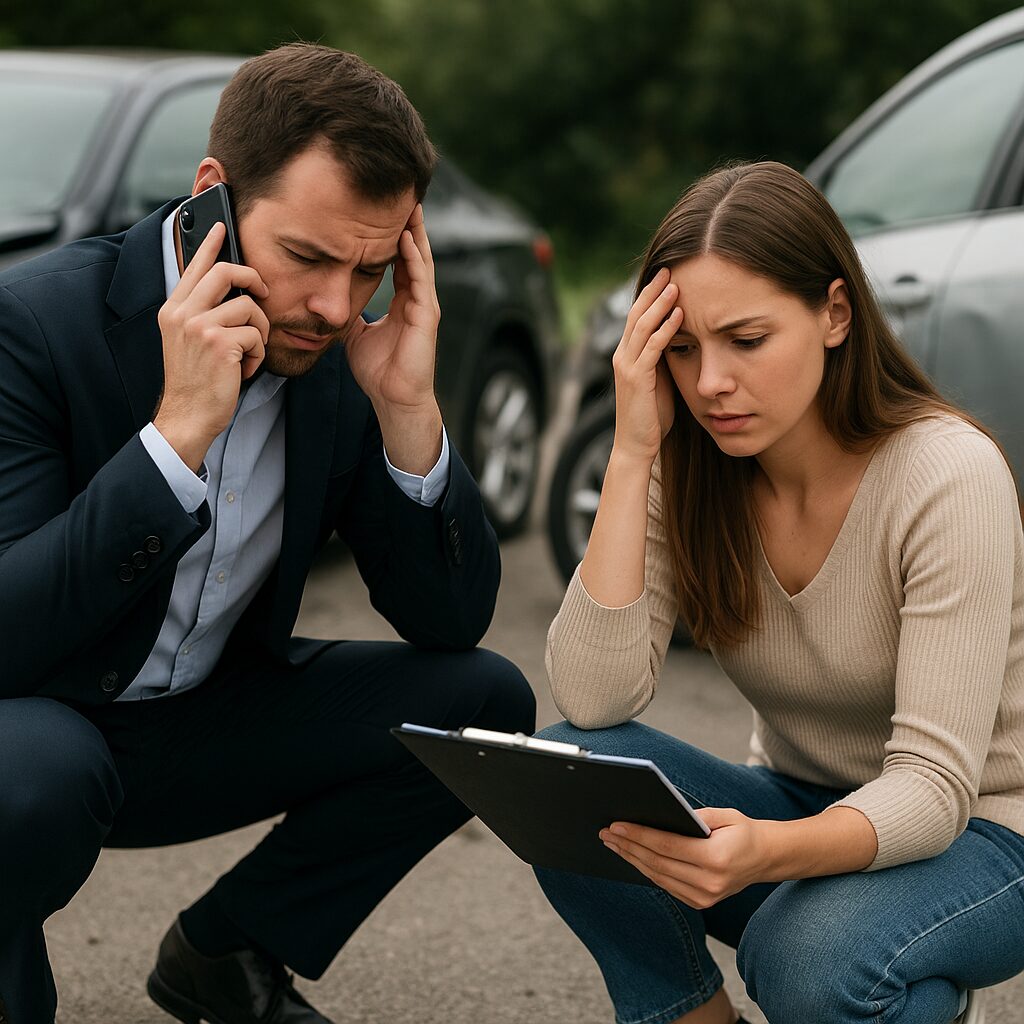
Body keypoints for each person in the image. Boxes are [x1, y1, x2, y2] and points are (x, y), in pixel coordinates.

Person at [0, 43, 535, 1024]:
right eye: (310, 257)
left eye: (370, 267)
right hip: (33, 735)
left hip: (203, 721)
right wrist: (177, 436)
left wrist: (408, 411)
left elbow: (448, 620)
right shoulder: (33, 324)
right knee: (34, 773)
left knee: (483, 705)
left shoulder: (338, 352)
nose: (337, 306)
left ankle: (228, 951)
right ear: (214, 195)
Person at [536, 161, 1024, 1024]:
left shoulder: (947, 475)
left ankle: (885, 960)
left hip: (988, 833)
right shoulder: (689, 462)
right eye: (683, 350)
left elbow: (935, 788)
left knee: (809, 957)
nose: (711, 382)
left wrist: (768, 855)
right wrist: (631, 451)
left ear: (835, 313)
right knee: (568, 778)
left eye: (747, 340)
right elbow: (592, 696)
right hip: (805, 800)